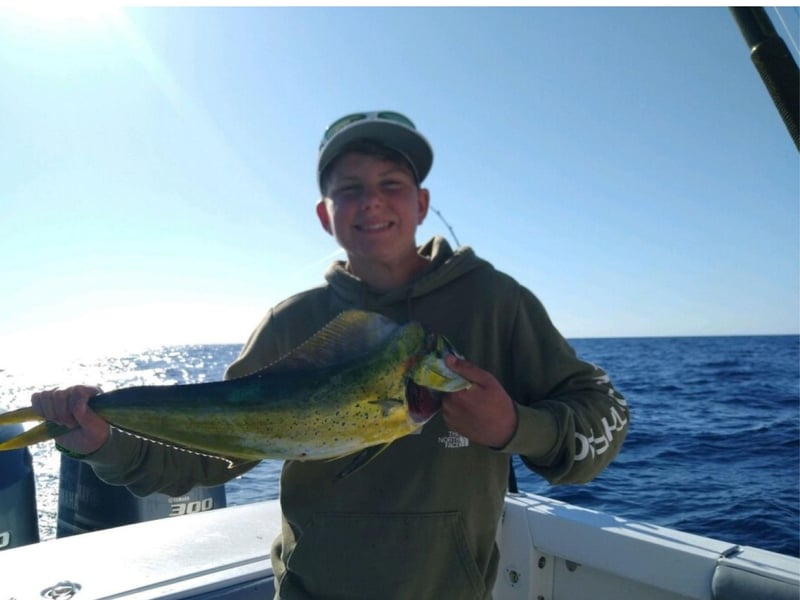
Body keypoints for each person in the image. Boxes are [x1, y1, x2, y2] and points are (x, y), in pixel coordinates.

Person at [31, 110, 630, 599]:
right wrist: (100, 442)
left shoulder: (493, 301)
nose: (372, 202)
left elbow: (603, 413)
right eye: (350, 190)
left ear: (422, 204)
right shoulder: (292, 321)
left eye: (391, 185)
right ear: (326, 215)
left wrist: (514, 427)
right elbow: (211, 458)